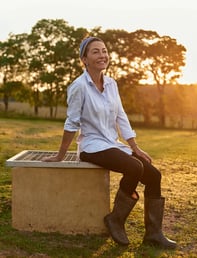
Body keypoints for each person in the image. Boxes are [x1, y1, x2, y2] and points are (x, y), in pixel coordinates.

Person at [42, 36, 176, 249]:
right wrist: (60, 155)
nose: (102, 55)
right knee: (134, 167)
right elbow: (72, 122)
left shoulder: (112, 84)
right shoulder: (78, 87)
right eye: (95, 52)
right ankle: (116, 219)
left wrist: (135, 147)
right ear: (84, 59)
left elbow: (121, 116)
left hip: (112, 144)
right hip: (91, 146)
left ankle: (154, 234)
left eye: (104, 51)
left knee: (153, 175)